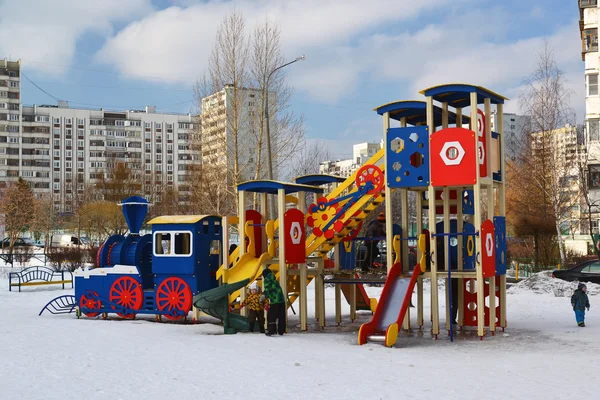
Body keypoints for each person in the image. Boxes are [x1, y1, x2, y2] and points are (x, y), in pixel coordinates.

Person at [260, 268, 286, 336]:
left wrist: (264, 295)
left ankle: (272, 331)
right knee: (281, 316)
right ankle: (281, 330)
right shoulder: (274, 279)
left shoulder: (267, 280)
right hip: (281, 300)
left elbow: (268, 289)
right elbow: (274, 288)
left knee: (271, 316)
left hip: (275, 301)